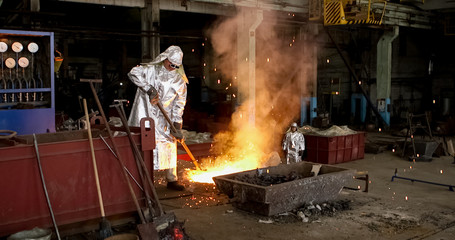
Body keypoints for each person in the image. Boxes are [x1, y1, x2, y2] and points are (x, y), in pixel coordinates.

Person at [127, 45, 188, 191]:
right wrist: (148, 88)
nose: (173, 67)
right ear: (164, 59)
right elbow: (133, 73)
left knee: (169, 143)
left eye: (176, 66)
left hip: (164, 117)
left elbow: (179, 104)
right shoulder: (150, 70)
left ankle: (172, 179)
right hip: (145, 114)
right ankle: (144, 179)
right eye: (171, 64)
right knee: (145, 145)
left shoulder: (179, 81)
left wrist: (177, 124)